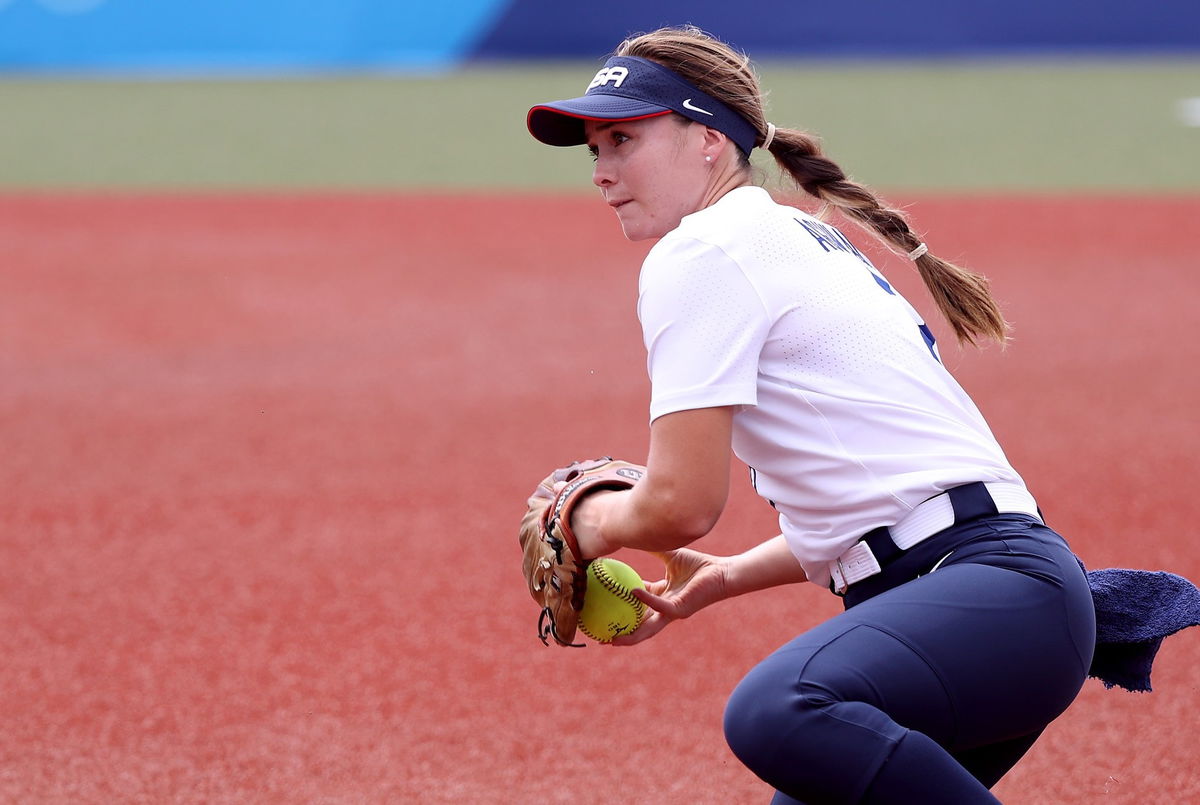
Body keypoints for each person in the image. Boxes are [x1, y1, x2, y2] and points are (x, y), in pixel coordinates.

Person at [523, 25, 1192, 804]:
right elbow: (884, 485)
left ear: (706, 140)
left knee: (775, 710)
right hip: (1003, 597)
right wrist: (728, 577)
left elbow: (680, 503)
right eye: (593, 149)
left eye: (621, 140)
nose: (601, 171)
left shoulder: (702, 251)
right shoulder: (794, 235)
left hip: (983, 591)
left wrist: (583, 520)